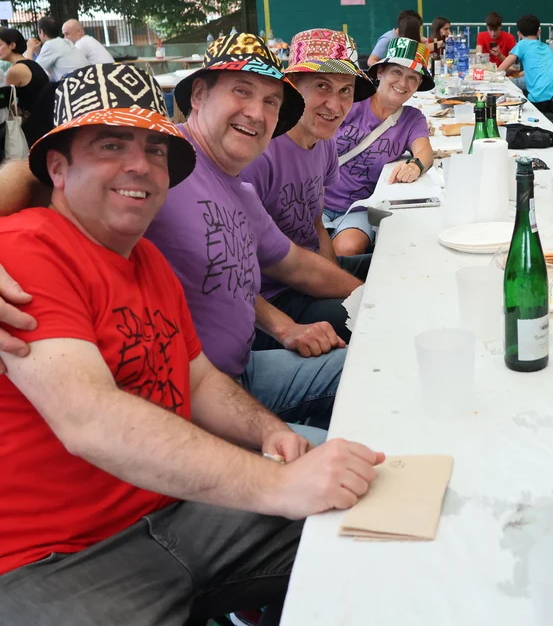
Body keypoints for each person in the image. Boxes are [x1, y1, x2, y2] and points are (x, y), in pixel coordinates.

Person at [0, 63, 385, 623]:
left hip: (178, 511)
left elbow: (198, 377)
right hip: (58, 560)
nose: (140, 165)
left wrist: (270, 432)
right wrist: (277, 483)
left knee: (372, 511)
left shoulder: (146, 258)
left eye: (155, 150)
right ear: (57, 167)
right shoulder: (26, 252)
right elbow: (88, 420)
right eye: (111, 145)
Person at [241, 29, 377, 351]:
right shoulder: (260, 153)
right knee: (374, 319)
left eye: (345, 90)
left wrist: (332, 276)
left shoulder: (324, 142)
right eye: (322, 86)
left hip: (310, 271)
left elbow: (315, 223)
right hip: (270, 298)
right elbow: (244, 269)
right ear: (291, 87)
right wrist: (358, 296)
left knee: (397, 264)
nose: (335, 104)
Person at [325, 37, 435, 257]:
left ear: (417, 86)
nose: (403, 83)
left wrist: (415, 165)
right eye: (396, 72)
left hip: (358, 207)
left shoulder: (412, 118)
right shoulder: (352, 101)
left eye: (412, 78)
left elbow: (425, 151)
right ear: (380, 72)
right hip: (316, 199)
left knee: (348, 249)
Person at [497, 14, 553, 105]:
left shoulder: (522, 45)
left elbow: (500, 71)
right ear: (539, 32)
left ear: (519, 34)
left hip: (541, 100)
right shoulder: (547, 48)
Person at [0, 28, 50, 151]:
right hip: (44, 120)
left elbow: (4, 100)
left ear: (12, 45)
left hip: (32, 127)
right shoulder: (31, 64)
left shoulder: (15, 71)